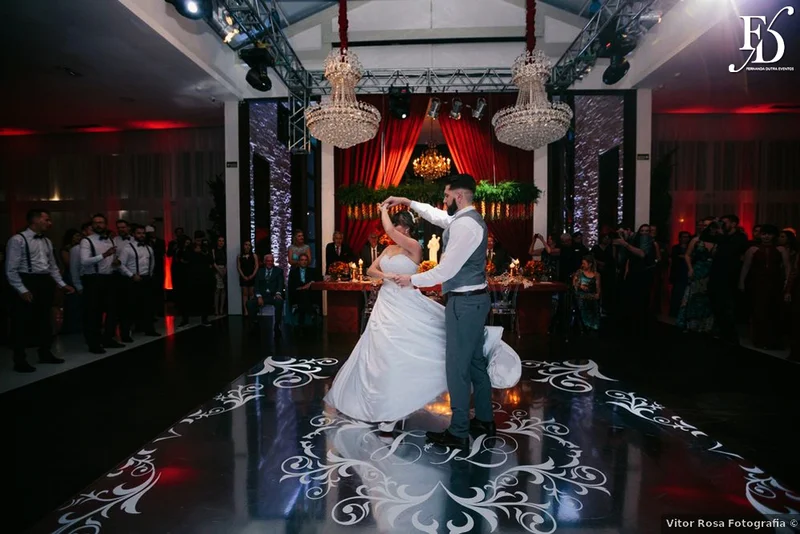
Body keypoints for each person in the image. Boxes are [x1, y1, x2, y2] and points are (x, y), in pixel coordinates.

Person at [368, 174, 518, 449]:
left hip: (465, 303)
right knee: (475, 362)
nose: (444, 201)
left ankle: (458, 432)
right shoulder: (464, 220)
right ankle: (485, 420)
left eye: (447, 196)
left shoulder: (465, 226)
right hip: (473, 300)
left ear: (458, 196)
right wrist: (407, 201)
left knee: (457, 367)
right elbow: (436, 215)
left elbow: (445, 270)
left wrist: (411, 279)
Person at [5, 209, 75, 372]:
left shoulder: (47, 241)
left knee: (44, 320)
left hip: (44, 282)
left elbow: (52, 266)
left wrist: (61, 284)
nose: (50, 223)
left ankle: (45, 352)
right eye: (46, 220)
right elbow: (11, 269)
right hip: (26, 280)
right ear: (35, 220)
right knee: (21, 323)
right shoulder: (18, 240)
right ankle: (19, 359)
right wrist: (22, 289)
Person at [118, 225, 159, 337]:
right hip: (132, 280)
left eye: (143, 233)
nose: (141, 235)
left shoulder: (149, 248)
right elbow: (120, 265)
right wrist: (131, 275)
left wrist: (150, 275)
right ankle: (125, 334)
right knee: (130, 307)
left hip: (146, 279)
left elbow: (152, 263)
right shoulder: (127, 248)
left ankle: (149, 329)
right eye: (139, 233)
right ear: (133, 234)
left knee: (148, 306)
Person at [246, 253, 285, 336]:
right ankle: (255, 323)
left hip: (273, 296)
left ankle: (277, 325)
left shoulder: (278, 271)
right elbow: (256, 286)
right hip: (262, 296)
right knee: (249, 303)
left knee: (279, 302)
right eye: (268, 261)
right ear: (264, 262)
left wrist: (278, 293)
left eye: (271, 261)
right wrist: (259, 296)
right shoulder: (259, 271)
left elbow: (280, 284)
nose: (270, 263)